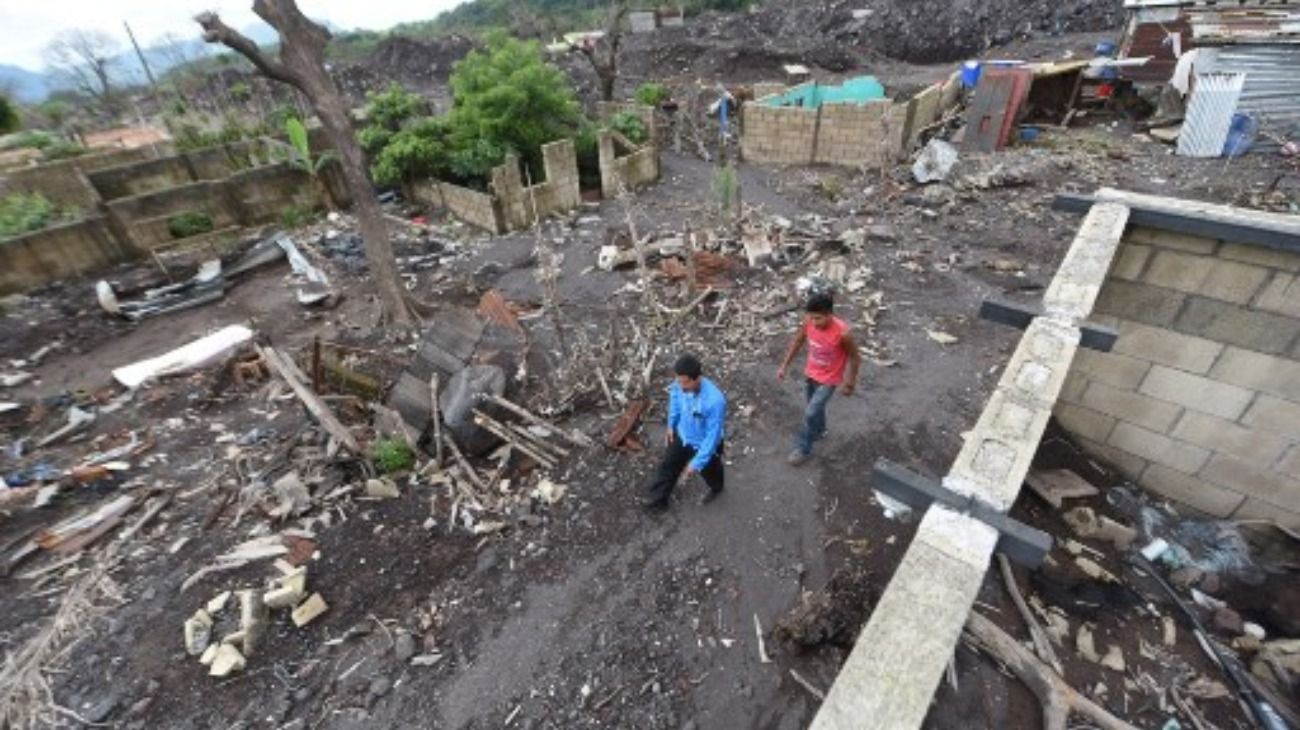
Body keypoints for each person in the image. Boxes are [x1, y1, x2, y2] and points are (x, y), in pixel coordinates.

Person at [776, 292, 862, 466]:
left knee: (810, 413)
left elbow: (855, 357)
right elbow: (798, 341)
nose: (814, 323)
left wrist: (850, 382)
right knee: (815, 409)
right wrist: (785, 365)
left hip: (829, 380)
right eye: (811, 318)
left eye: (819, 318)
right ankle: (821, 430)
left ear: (830, 314)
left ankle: (802, 449)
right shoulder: (809, 323)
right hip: (811, 374)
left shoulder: (843, 334)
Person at [641, 353, 727, 511]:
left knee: (711, 473)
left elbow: (712, 436)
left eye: (685, 383)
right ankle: (656, 502)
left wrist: (696, 463)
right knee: (668, 466)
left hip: (703, 444)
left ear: (697, 378)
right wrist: (671, 425)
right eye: (679, 381)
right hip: (683, 435)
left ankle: (717, 487)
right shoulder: (679, 383)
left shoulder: (715, 401)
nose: (680, 386)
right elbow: (675, 401)